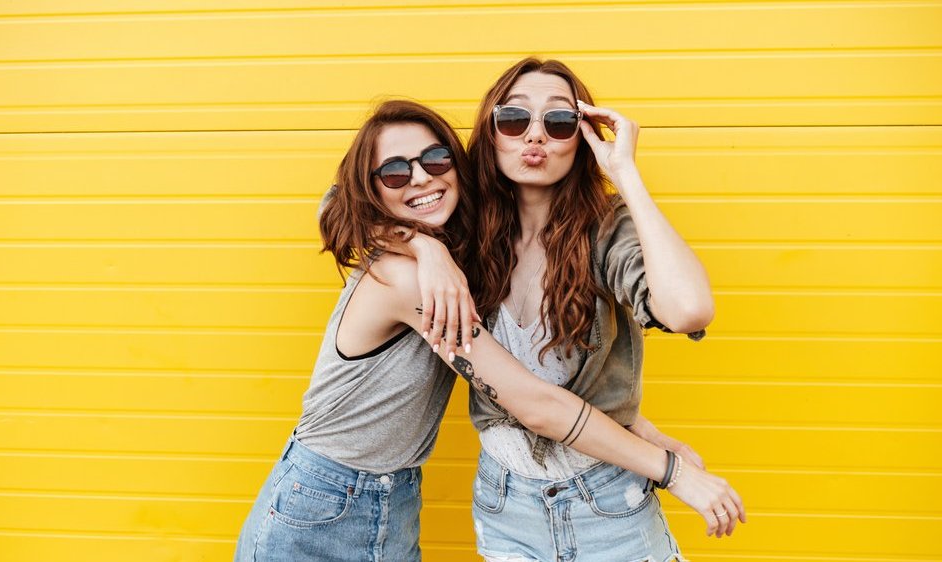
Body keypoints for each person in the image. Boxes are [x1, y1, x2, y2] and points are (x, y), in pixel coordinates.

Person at [235, 98, 742, 562]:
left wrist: (425, 244)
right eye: (393, 171)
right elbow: (534, 404)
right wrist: (671, 472)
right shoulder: (406, 276)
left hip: (386, 496)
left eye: (435, 160)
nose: (419, 179)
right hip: (324, 504)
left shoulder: (456, 247)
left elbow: (553, 381)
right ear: (370, 188)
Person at [387, 58, 748, 561]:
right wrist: (427, 249)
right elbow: (338, 207)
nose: (535, 136)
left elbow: (689, 309)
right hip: (505, 503)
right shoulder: (461, 224)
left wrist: (625, 174)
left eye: (557, 123)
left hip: (607, 503)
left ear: (581, 139)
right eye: (514, 120)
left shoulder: (604, 231)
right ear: (491, 132)